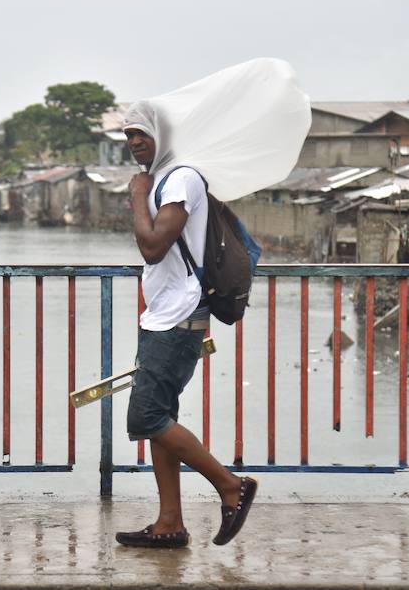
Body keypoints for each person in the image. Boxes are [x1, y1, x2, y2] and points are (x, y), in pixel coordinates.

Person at [115, 103, 257, 549]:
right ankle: (169, 523)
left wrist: (138, 198)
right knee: (162, 418)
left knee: (147, 416)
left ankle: (231, 486)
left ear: (166, 134)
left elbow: (154, 246)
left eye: (142, 133)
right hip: (164, 315)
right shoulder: (166, 177)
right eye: (128, 135)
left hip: (178, 318)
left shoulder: (181, 178)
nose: (134, 142)